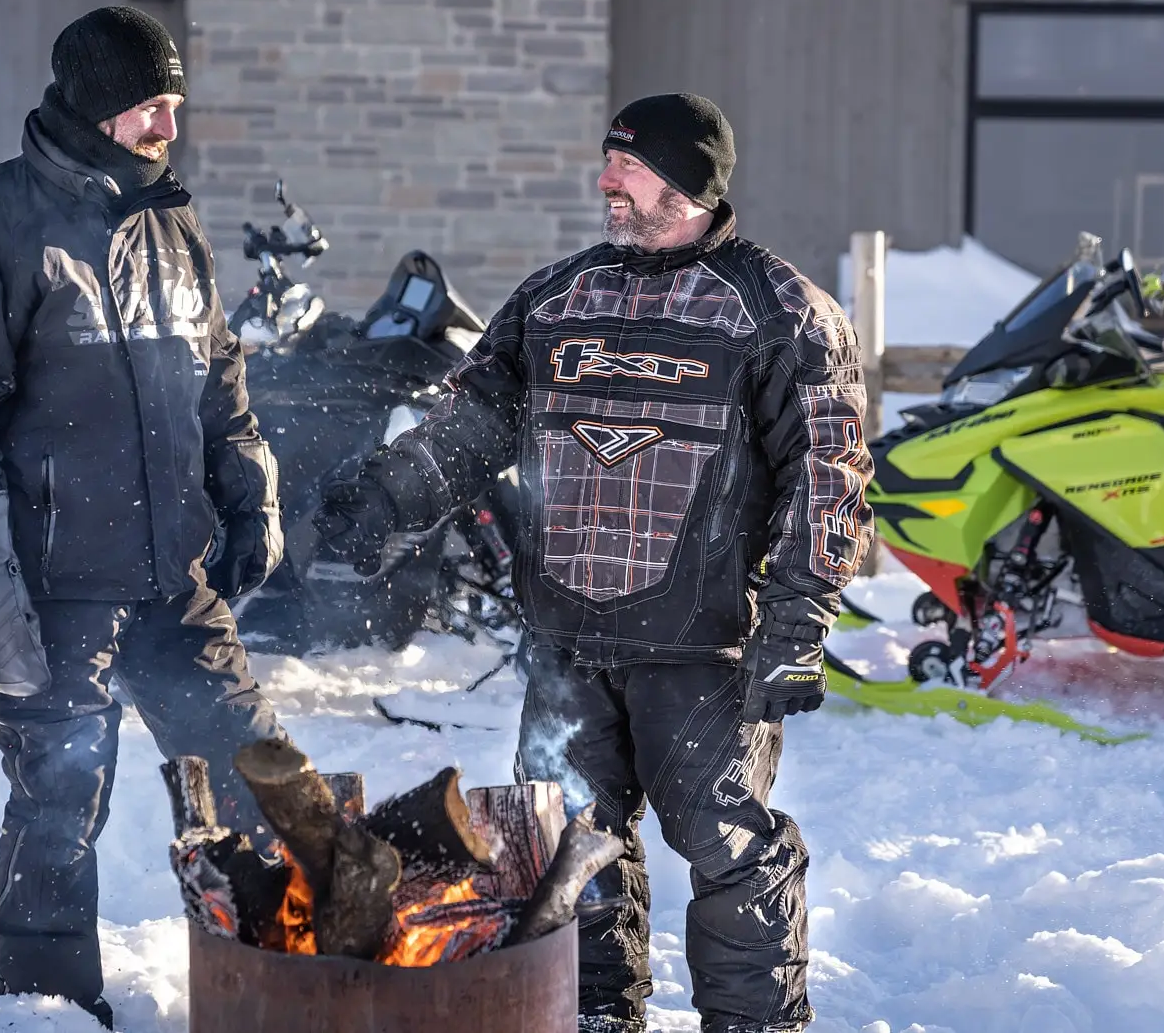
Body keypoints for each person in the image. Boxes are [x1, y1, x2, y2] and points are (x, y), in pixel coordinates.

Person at [314, 93, 875, 1033]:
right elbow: (468, 428)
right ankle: (593, 1018)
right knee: (571, 852)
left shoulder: (779, 311)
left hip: (704, 653)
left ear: (689, 181)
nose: (606, 182)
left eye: (630, 165)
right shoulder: (554, 297)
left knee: (731, 854)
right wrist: (381, 498)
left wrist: (797, 624)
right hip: (565, 646)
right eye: (607, 163)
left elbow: (832, 474)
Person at [0, 6, 289, 1029]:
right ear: (91, 104)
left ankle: (285, 977)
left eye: (175, 103)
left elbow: (220, 377)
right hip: (55, 583)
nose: (169, 122)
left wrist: (248, 488)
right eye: (148, 104)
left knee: (261, 771)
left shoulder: (171, 221)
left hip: (173, 576)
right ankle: (41, 1006)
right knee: (62, 804)